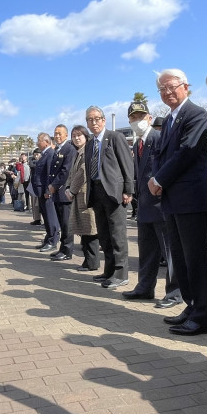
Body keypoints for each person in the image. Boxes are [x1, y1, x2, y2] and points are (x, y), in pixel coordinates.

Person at [148, 69, 207, 335]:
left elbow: (186, 153)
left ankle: (203, 316)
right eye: (162, 89)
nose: (167, 92)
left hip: (192, 199)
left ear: (185, 86)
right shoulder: (167, 120)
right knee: (180, 258)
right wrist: (155, 177)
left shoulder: (195, 114)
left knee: (195, 259)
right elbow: (160, 154)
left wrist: (159, 179)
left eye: (172, 87)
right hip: (172, 199)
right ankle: (190, 306)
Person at [124, 101, 183, 308]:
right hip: (145, 206)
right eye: (133, 117)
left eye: (140, 116)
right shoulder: (137, 142)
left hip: (161, 204)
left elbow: (167, 167)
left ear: (149, 118)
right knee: (147, 250)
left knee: (170, 251)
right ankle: (144, 287)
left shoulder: (158, 138)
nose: (137, 121)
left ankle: (174, 293)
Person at [84, 106, 135, 289]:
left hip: (114, 192)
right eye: (90, 119)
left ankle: (121, 274)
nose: (94, 122)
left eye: (97, 118)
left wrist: (129, 190)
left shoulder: (115, 138)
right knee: (104, 234)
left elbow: (127, 164)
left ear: (104, 120)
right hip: (96, 192)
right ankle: (109, 270)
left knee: (117, 234)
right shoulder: (90, 143)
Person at [64, 125, 100, 272]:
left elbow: (83, 172)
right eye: (74, 136)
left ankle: (92, 262)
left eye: (80, 135)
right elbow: (71, 174)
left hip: (86, 195)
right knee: (83, 230)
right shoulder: (78, 152)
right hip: (78, 195)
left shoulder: (87, 151)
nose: (77, 138)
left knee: (90, 229)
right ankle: (88, 261)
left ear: (86, 136)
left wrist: (71, 190)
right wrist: (68, 188)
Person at [48, 124, 77, 261]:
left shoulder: (69, 149)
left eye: (60, 133)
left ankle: (67, 250)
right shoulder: (58, 149)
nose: (57, 136)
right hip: (56, 192)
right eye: (55, 133)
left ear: (66, 135)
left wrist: (54, 185)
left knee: (66, 223)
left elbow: (66, 170)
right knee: (61, 221)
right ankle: (62, 248)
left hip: (64, 191)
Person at [32, 133, 59, 252]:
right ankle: (48, 238)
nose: (37, 142)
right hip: (40, 190)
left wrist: (48, 190)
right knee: (46, 216)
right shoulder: (44, 154)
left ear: (46, 142)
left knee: (50, 216)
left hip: (46, 191)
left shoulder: (50, 154)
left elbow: (50, 173)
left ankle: (53, 240)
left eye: (39, 140)